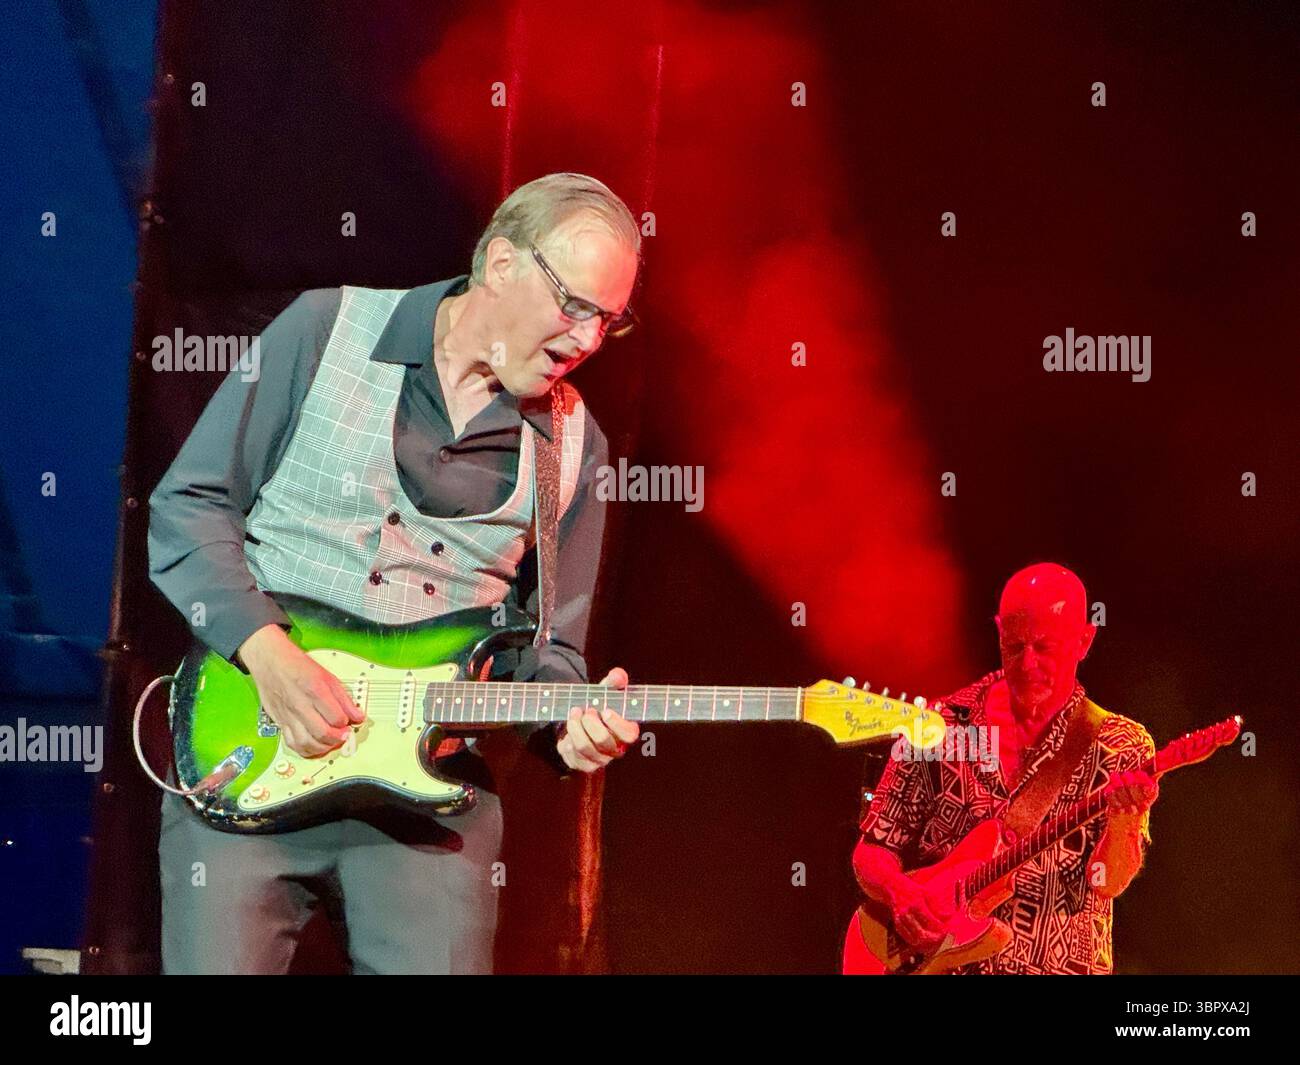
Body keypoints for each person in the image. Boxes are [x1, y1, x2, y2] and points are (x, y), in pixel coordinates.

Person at [148, 172, 641, 973]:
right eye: (575, 304)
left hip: (432, 799)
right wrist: (270, 656)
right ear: (503, 263)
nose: (586, 337)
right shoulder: (325, 326)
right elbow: (188, 507)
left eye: (608, 320)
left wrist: (571, 725)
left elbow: (552, 655)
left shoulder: (577, 448)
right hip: (251, 745)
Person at [852, 562, 1158, 974]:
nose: (1028, 664)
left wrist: (1124, 822)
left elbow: (1108, 883)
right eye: (1014, 646)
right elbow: (871, 851)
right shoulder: (937, 727)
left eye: (1044, 647)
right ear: (998, 630)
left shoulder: (1120, 745)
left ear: (1085, 640)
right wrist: (899, 893)